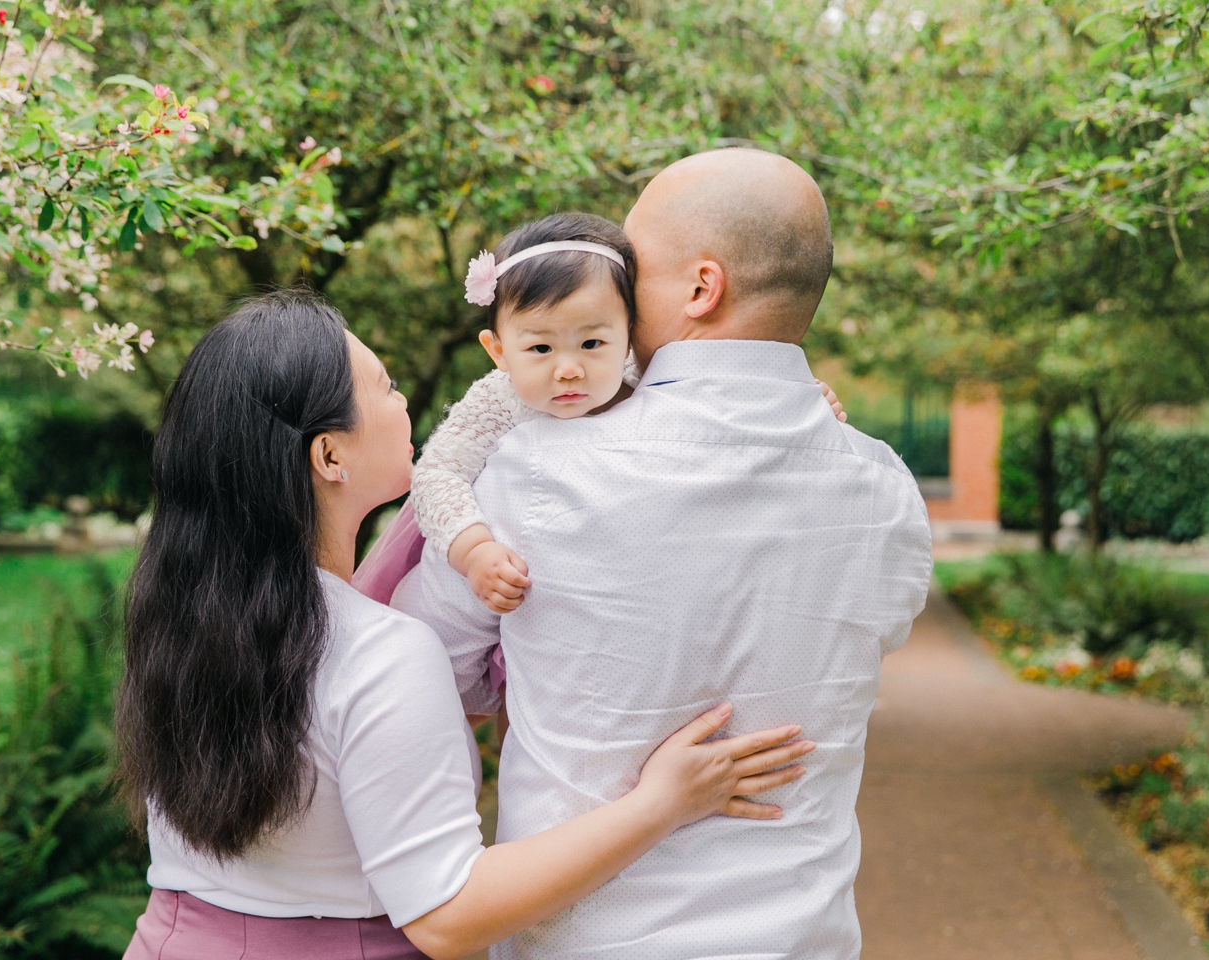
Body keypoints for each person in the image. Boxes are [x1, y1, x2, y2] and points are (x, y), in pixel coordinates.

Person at [114, 290, 817, 960]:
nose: (405, 405)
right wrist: (662, 803)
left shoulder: (183, 619)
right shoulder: (377, 651)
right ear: (329, 456)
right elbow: (447, 915)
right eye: (386, 387)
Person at [393, 149, 934, 959]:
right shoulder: (886, 489)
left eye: (630, 267)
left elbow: (424, 666)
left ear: (701, 288)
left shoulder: (536, 469)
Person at [356, 212, 846, 618]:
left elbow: (719, 403)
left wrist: (800, 401)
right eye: (541, 348)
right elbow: (439, 473)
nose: (568, 369)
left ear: (629, 334)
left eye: (592, 343)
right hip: (501, 578)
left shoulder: (639, 374)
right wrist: (475, 551)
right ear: (498, 350)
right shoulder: (498, 399)